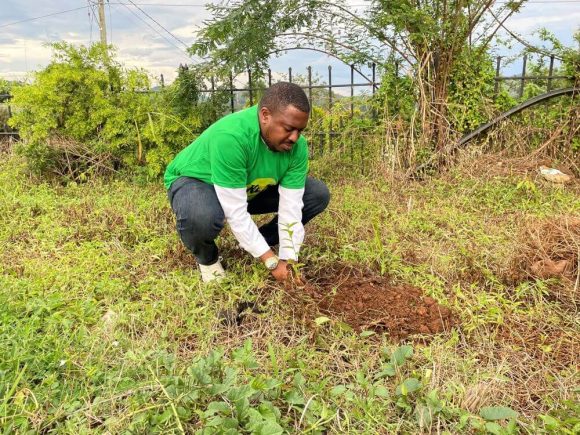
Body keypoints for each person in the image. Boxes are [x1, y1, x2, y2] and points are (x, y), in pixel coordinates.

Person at [164, 82, 330, 283]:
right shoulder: (232, 137)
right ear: (265, 115)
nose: (295, 138)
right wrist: (271, 261)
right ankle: (207, 259)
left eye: (300, 131)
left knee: (316, 194)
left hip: (246, 188)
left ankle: (260, 241)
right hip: (198, 182)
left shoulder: (297, 147)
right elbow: (235, 210)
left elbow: (291, 208)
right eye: (288, 128)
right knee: (200, 216)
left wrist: (288, 260)